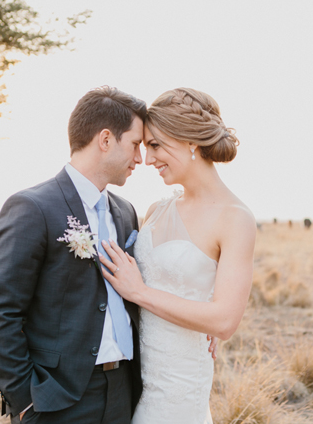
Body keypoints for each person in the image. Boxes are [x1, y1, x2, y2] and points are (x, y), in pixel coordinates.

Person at [0, 86, 216, 424]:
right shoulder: (32, 207)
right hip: (58, 396)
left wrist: (198, 323)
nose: (140, 158)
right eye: (136, 144)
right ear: (105, 140)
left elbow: (142, 285)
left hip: (125, 388)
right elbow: (0, 313)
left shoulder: (126, 212)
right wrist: (25, 400)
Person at [99, 87, 256, 424]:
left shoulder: (235, 218)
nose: (148, 159)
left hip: (180, 392)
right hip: (134, 382)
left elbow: (225, 321)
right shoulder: (156, 210)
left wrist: (140, 292)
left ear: (190, 141)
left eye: (155, 145)